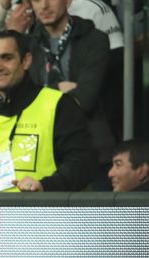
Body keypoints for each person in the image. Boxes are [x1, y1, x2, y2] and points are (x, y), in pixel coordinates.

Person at [0, 30, 97, 192]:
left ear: (26, 61)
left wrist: (45, 186)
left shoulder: (58, 105)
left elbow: (82, 163)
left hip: (45, 214)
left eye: (6, 58)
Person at [27, 0, 114, 189]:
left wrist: (42, 94)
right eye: (36, 0)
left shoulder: (94, 39)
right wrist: (59, 87)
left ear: (68, 1)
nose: (44, 6)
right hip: (41, 151)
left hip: (91, 150)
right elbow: (25, 100)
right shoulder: (28, 44)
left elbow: (85, 98)